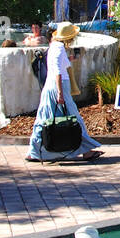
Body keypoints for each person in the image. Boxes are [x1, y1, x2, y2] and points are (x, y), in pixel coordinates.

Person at [26, 22, 104, 162]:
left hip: (54, 87)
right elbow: (57, 70)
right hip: (58, 87)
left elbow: (61, 64)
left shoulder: (55, 47)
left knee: (45, 118)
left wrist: (73, 58)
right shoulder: (59, 47)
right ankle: (85, 151)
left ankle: (34, 151)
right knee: (73, 119)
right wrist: (60, 93)